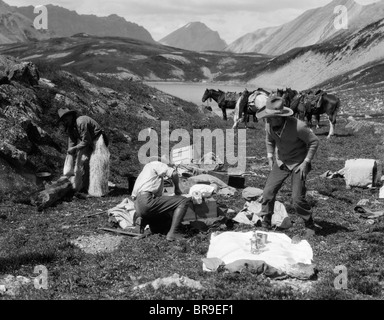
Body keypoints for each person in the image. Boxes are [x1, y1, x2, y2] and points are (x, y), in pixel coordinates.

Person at [256, 95, 321, 237]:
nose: (268, 120)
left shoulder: (299, 126)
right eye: (267, 117)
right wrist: (270, 156)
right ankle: (266, 220)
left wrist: (306, 162)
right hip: (281, 161)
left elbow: (314, 142)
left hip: (299, 163)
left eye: (272, 117)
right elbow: (269, 140)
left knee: (297, 199)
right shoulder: (269, 124)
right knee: (268, 192)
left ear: (281, 117)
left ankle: (309, 222)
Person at [131, 159, 192, 241]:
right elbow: (173, 173)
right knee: (183, 200)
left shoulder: (144, 174)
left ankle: (144, 223)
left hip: (138, 207)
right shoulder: (156, 164)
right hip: (147, 201)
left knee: (166, 219)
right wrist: (177, 189)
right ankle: (173, 233)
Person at [58, 108, 110, 197]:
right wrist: (70, 154)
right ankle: (84, 187)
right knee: (83, 162)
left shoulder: (81, 121)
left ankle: (99, 190)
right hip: (88, 142)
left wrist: (74, 148)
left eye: (66, 118)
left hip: (98, 140)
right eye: (63, 120)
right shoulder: (70, 128)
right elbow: (71, 143)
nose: (65, 121)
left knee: (97, 165)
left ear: (71, 116)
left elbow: (86, 141)